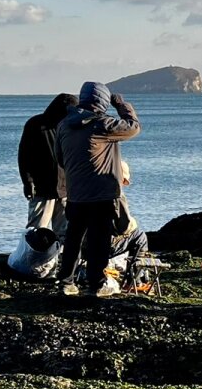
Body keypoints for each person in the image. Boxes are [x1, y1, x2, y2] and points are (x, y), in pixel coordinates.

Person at [53, 80, 141, 297]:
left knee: (73, 238)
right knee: (98, 240)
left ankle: (66, 282)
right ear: (102, 101)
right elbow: (133, 127)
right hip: (102, 193)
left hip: (76, 193)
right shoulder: (103, 123)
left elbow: (60, 158)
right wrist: (121, 105)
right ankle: (97, 283)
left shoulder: (64, 125)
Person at [10, 93, 76, 277]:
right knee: (36, 230)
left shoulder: (69, 125)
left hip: (65, 188)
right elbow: (24, 156)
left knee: (63, 231)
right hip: (42, 187)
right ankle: (30, 265)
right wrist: (28, 182)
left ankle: (55, 267)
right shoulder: (35, 125)